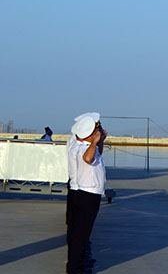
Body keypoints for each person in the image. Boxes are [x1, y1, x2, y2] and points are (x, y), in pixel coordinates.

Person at [66, 112, 106, 274]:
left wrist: (98, 142)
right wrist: (94, 142)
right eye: (98, 128)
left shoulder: (79, 143)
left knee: (80, 233)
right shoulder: (83, 148)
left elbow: (96, 154)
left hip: (83, 192)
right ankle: (76, 268)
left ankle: (79, 263)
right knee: (80, 235)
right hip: (86, 194)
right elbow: (88, 158)